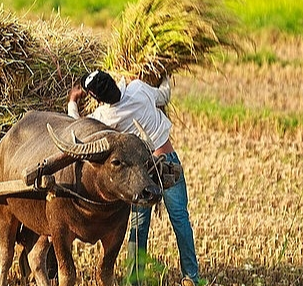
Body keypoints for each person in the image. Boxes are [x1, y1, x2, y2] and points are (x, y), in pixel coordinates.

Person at [67, 70, 202, 286]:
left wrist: (73, 102)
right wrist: (163, 74)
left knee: (139, 226)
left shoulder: (104, 117)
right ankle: (191, 277)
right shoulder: (139, 88)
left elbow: (79, 129)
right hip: (168, 161)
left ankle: (134, 280)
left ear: (97, 98)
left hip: (141, 173)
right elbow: (164, 95)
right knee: (180, 220)